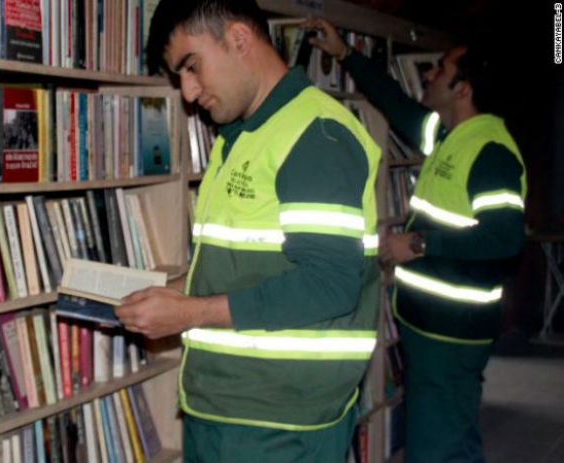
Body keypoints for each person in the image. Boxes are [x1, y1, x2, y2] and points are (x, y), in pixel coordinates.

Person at [115, 1, 382, 461]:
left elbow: (329, 286)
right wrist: (174, 295)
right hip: (227, 409)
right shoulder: (243, 134)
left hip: (280, 424)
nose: (188, 92)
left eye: (192, 66)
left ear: (239, 39)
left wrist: (189, 314)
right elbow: (245, 264)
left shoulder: (314, 135)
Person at [305, 18, 527, 463]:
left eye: (441, 70)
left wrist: (419, 244)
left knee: (433, 447)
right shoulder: (449, 136)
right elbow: (396, 103)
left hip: (452, 333)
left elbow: (504, 238)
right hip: (431, 326)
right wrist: (345, 54)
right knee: (453, 435)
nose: (429, 74)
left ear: (463, 89)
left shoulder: (490, 152)